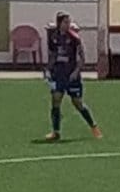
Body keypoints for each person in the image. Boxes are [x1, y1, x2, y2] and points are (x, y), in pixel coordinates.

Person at [42, 12, 101, 141]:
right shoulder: (54, 37)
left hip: (71, 75)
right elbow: (52, 55)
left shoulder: (74, 38)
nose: (68, 24)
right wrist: (48, 69)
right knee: (56, 100)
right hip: (59, 74)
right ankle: (56, 132)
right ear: (59, 23)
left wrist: (76, 72)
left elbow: (82, 58)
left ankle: (93, 126)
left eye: (69, 22)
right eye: (65, 22)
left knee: (78, 103)